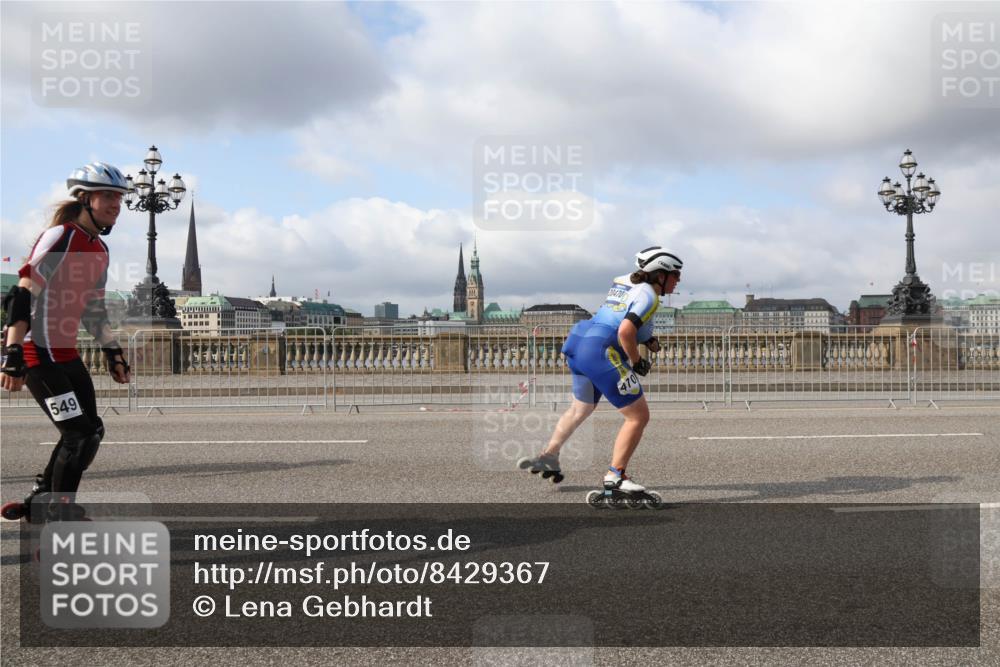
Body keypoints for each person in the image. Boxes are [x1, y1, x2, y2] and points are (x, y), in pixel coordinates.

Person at [1, 163, 131, 521]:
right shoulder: (61, 236)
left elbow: (94, 310)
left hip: (65, 353)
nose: (115, 205)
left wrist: (113, 351)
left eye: (119, 199)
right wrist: (13, 352)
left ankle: (42, 499)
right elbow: (22, 294)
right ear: (85, 198)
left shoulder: (100, 250)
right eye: (108, 197)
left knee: (91, 431)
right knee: (77, 434)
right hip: (35, 351)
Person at [518, 246, 682, 506]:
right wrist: (637, 361)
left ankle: (548, 455)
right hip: (600, 351)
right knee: (638, 416)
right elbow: (626, 332)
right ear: (659, 274)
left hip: (579, 342)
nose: (678, 280)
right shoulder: (650, 296)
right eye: (675, 274)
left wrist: (648, 339)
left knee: (579, 409)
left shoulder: (625, 281)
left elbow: (619, 316)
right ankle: (615, 478)